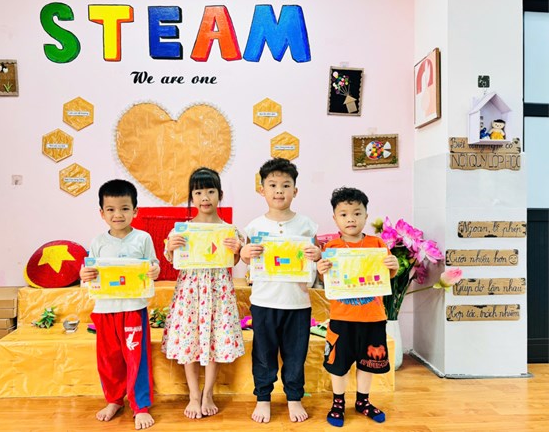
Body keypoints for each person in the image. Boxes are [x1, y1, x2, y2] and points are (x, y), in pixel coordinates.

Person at [240, 157, 322, 424]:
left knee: (295, 355)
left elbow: (317, 260)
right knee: (263, 354)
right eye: (272, 185)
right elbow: (248, 261)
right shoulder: (255, 226)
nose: (279, 191)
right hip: (264, 301)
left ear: (295, 191)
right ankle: (263, 397)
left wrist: (317, 255)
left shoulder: (307, 225)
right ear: (261, 190)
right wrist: (245, 253)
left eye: (286, 185)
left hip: (297, 303)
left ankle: (294, 397)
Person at [162, 167, 245, 419]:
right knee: (189, 340)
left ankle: (208, 393)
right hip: (190, 291)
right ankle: (193, 395)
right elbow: (171, 259)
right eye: (198, 192)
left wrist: (238, 250)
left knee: (215, 339)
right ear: (191, 197)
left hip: (219, 292)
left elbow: (234, 261)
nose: (205, 197)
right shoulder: (182, 230)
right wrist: (170, 247)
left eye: (210, 191)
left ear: (220, 194)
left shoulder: (230, 230)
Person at [79, 179, 160, 430]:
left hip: (133, 309)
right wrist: (84, 274)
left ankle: (140, 406)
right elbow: (90, 273)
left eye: (125, 208)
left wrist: (154, 270)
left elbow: (153, 265)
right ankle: (114, 400)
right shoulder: (98, 242)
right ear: (102, 213)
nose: (118, 214)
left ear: (135, 211)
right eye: (111, 209)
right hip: (105, 310)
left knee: (137, 358)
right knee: (109, 359)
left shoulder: (143, 238)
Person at [316, 187, 398, 427]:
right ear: (335, 218)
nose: (350, 219)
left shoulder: (377, 244)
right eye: (343, 214)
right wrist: (321, 271)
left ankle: (363, 401)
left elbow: (388, 275)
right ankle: (338, 403)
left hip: (373, 317)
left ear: (366, 216)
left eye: (356, 213)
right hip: (342, 318)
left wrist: (393, 265)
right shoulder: (331, 248)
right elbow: (326, 281)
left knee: (367, 362)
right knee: (338, 364)